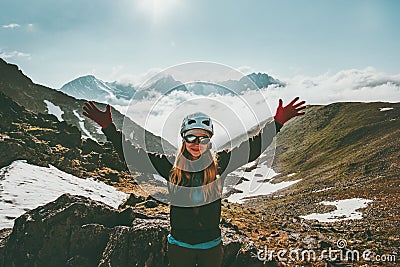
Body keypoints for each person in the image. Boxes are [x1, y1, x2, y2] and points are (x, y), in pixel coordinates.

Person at [82, 97, 306, 267]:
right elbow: (135, 155)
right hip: (180, 247)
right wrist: (108, 128)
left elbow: (252, 147)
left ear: (209, 140)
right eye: (191, 136)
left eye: (203, 138)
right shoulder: (171, 166)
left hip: (211, 247)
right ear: (183, 138)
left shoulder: (220, 163)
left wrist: (277, 123)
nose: (196, 143)